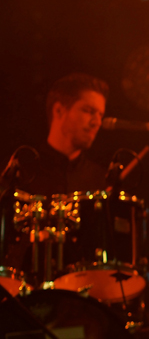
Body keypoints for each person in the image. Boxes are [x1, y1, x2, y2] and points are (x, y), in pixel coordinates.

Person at [0, 73, 109, 276]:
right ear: (59, 110)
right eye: (88, 111)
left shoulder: (100, 181)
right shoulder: (18, 171)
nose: (97, 122)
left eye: (100, 115)